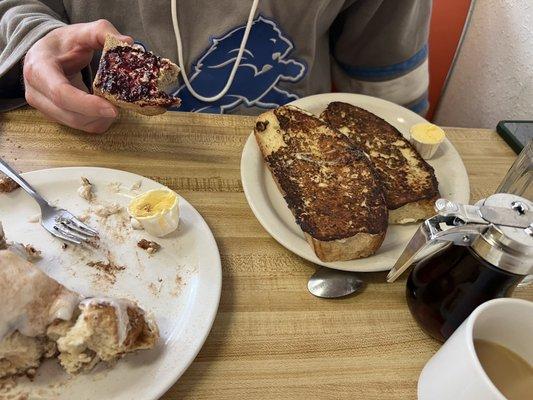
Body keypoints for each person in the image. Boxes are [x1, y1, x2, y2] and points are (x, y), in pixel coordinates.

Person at [0, 0, 431, 133]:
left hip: (287, 160)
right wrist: (33, 36)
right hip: (100, 145)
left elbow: (391, 87)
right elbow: (18, 7)